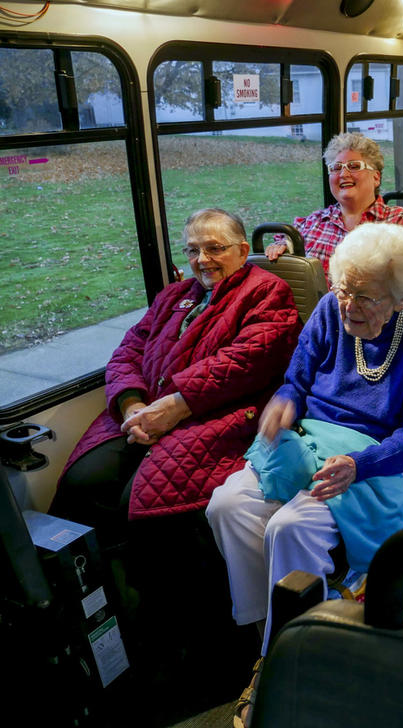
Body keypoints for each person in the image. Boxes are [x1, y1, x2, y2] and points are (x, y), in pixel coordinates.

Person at [206, 222, 403, 728]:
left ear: (400, 299)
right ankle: (266, 637)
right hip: (315, 434)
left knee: (290, 527)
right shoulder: (329, 309)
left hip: (382, 450)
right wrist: (284, 405)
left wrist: (362, 464)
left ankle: (289, 659)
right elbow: (296, 379)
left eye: (365, 298)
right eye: (343, 290)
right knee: (225, 506)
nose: (348, 306)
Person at [49, 208, 301, 663]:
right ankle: (107, 618)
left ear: (244, 251)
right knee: (81, 484)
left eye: (215, 248)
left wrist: (178, 404)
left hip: (218, 415)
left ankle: (182, 632)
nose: (203, 259)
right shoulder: (172, 297)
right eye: (193, 250)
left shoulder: (267, 292)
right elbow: (129, 349)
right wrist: (133, 405)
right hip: (148, 411)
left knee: (144, 503)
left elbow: (249, 359)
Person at [265, 132, 403, 277]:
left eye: (354, 166)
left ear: (376, 177)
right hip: (320, 317)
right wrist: (281, 247)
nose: (343, 174)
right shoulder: (313, 223)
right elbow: (287, 246)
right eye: (336, 167)